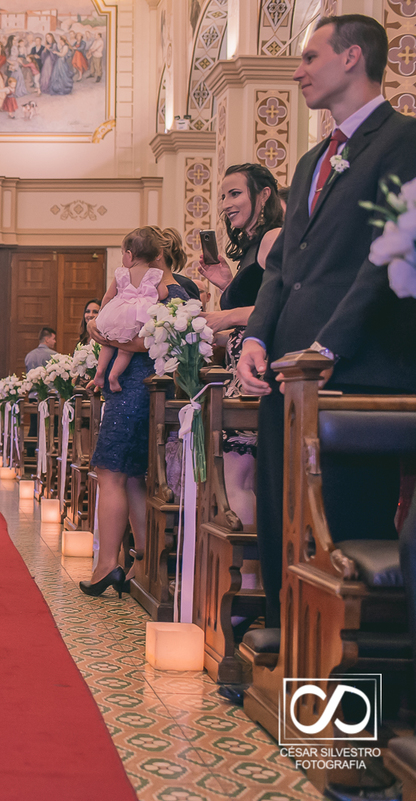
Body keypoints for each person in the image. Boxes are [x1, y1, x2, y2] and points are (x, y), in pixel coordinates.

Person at [237, 14, 416, 629]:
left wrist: (325, 348)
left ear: (353, 57)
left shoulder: (404, 142)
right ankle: (288, 652)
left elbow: (385, 259)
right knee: (280, 512)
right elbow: (283, 269)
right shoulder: (313, 158)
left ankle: (341, 684)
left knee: (339, 525)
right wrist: (257, 337)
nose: (297, 70)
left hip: (353, 376)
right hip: (287, 375)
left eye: (310, 56)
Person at [82, 231, 190, 596]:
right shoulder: (163, 288)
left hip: (137, 389)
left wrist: (103, 337)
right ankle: (141, 562)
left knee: (110, 471)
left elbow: (151, 341)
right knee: (130, 478)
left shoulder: (174, 291)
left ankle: (107, 564)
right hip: (135, 387)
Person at [197, 163, 284, 528]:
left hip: (257, 373)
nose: (225, 204)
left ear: (263, 194)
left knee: (240, 478)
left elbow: (282, 305)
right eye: (222, 196)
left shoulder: (273, 237)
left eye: (235, 194)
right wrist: (225, 283)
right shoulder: (250, 247)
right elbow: (255, 300)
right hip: (238, 372)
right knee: (237, 477)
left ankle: (248, 576)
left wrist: (226, 317)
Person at [87, 229, 171, 393]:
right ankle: (114, 376)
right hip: (140, 315)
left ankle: (99, 372)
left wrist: (102, 315)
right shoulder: (154, 274)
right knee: (126, 348)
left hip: (118, 312)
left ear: (130, 255)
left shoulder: (122, 273)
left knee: (108, 340)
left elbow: (108, 296)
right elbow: (163, 293)